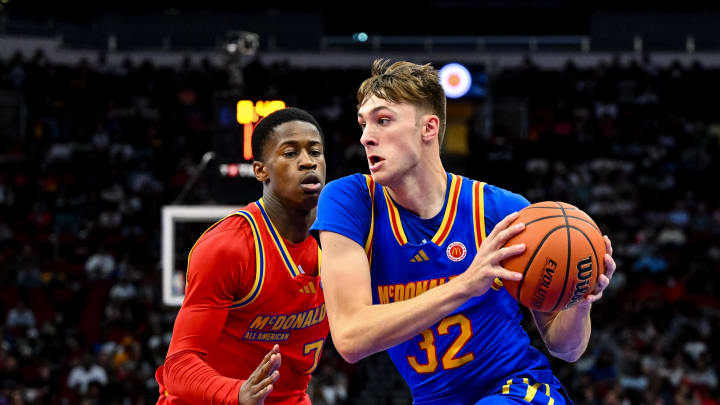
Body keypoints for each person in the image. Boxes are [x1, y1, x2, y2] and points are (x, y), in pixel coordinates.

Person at [311, 60, 617, 404]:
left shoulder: (502, 212)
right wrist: (465, 285)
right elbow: (351, 338)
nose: (367, 136)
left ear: (429, 128)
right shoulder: (350, 201)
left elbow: (566, 349)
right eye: (363, 124)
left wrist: (579, 302)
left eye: (383, 120)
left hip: (518, 389)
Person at [156, 107, 329, 405]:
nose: (307, 161)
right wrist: (236, 393)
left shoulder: (340, 239)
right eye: (290, 153)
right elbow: (178, 367)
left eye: (315, 151)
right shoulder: (229, 247)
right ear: (261, 170)